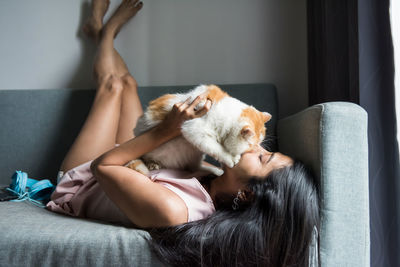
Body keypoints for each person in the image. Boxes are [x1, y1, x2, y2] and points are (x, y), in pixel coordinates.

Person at [46, 0, 321, 266]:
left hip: (84, 180)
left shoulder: (175, 210)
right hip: (131, 160)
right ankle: (99, 34)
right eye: (266, 150)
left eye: (263, 158)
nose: (256, 147)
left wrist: (168, 128)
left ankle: (104, 33)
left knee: (113, 87)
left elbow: (102, 166)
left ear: (247, 194)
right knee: (128, 84)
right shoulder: (214, 179)